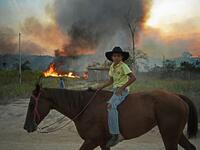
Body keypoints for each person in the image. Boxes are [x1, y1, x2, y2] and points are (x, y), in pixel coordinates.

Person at [97, 46, 136, 147]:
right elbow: (111, 81)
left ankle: (116, 134)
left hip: (122, 90)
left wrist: (122, 88)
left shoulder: (123, 66)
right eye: (114, 56)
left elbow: (133, 78)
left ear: (122, 57)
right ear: (112, 57)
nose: (116, 57)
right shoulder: (112, 67)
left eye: (118, 56)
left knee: (111, 105)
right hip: (114, 89)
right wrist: (100, 87)